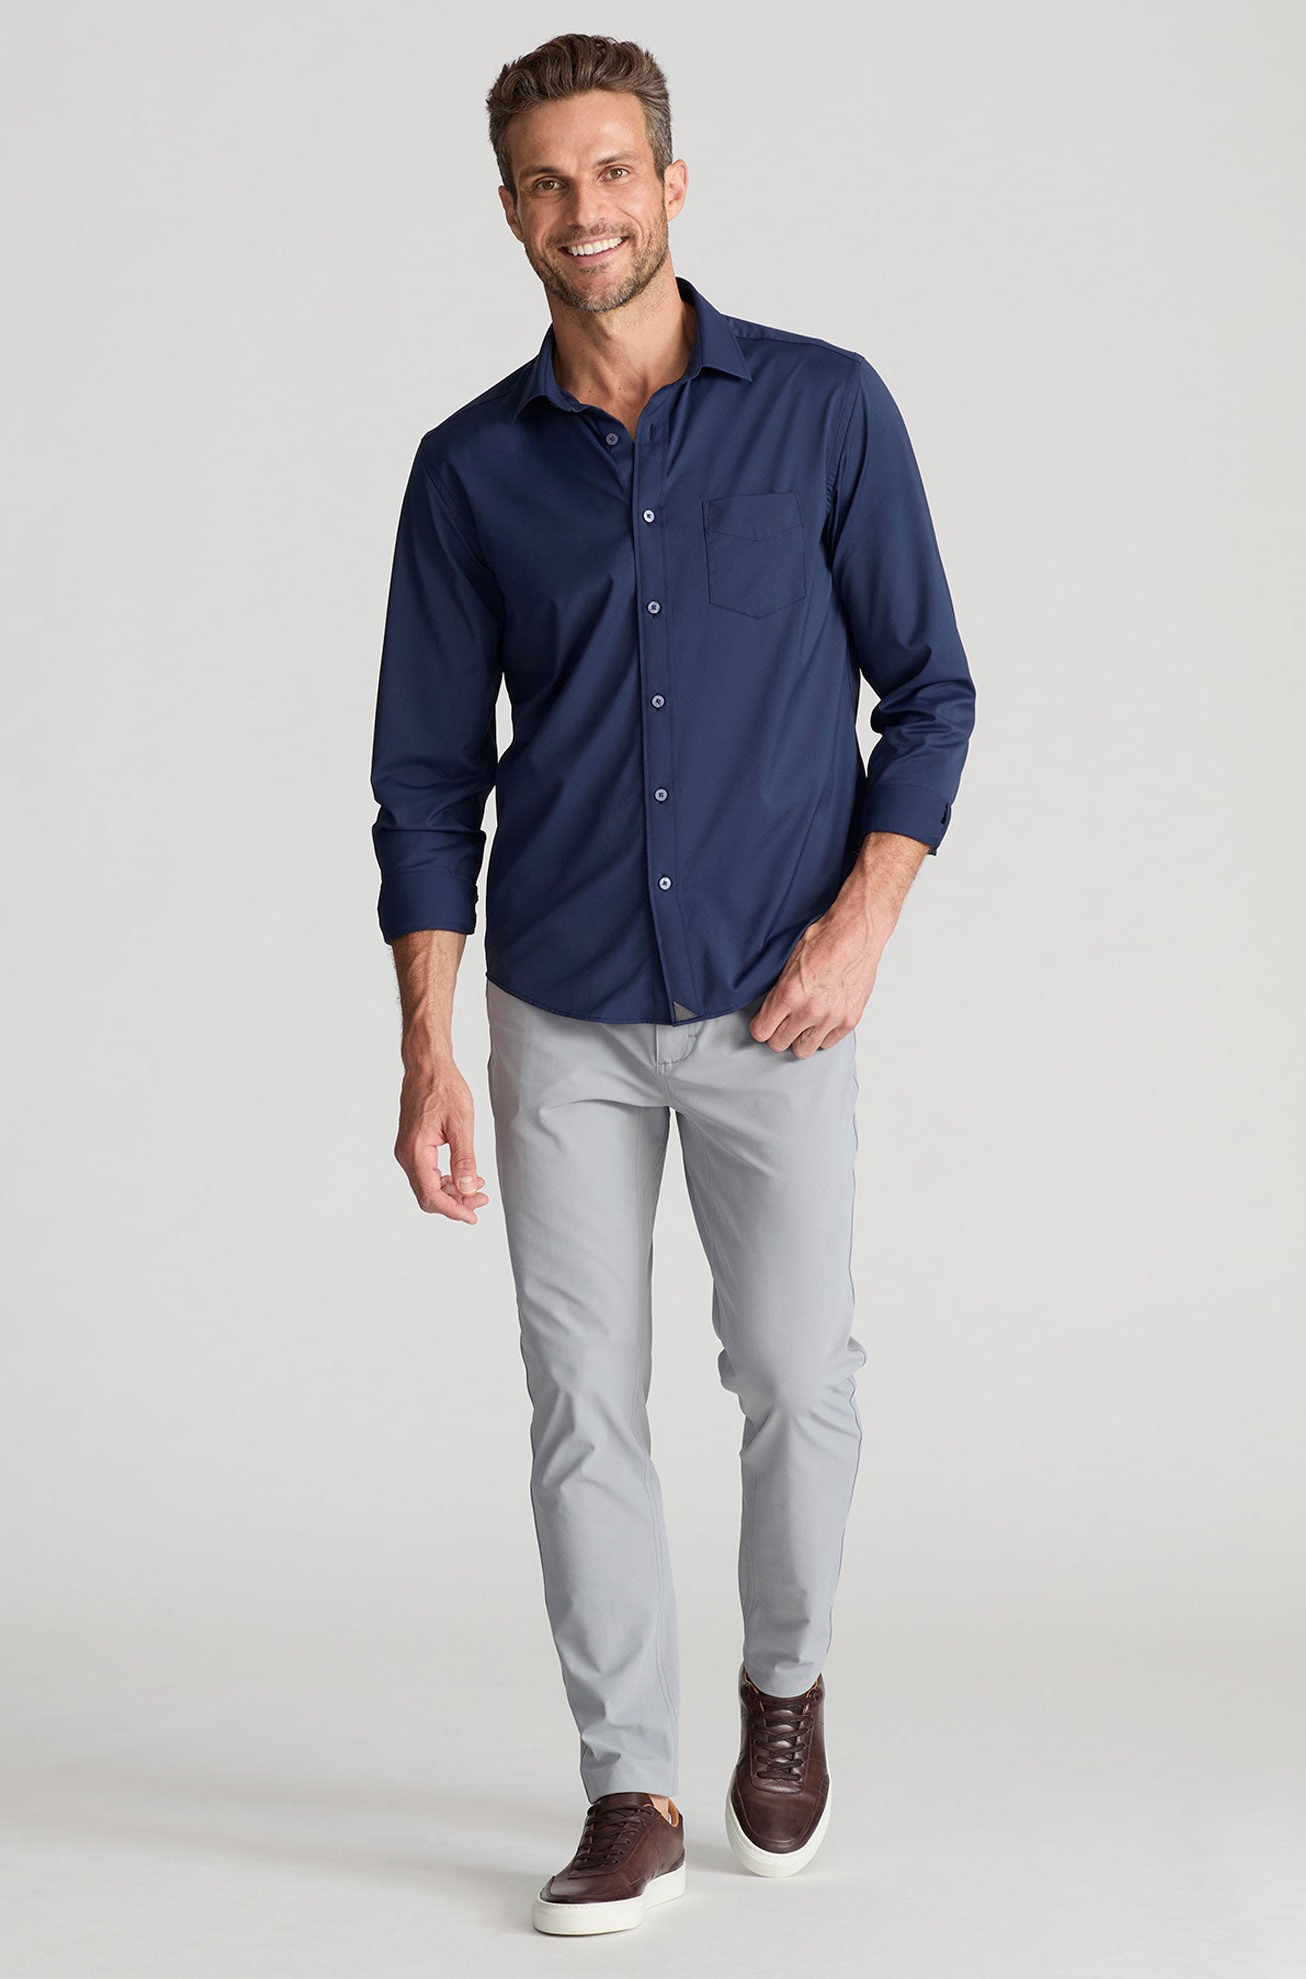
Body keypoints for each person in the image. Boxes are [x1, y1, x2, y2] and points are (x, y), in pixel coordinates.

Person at [370, 30, 975, 1937]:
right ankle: (625, 1784)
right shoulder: (469, 471)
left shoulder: (825, 410)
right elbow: (424, 781)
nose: (588, 212)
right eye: (549, 182)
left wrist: (863, 922)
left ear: (672, 185)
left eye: (614, 171)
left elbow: (931, 692)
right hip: (558, 1008)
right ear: (509, 212)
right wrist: (429, 1048)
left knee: (797, 1374)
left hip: (774, 1000)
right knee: (582, 1400)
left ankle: (783, 1687)